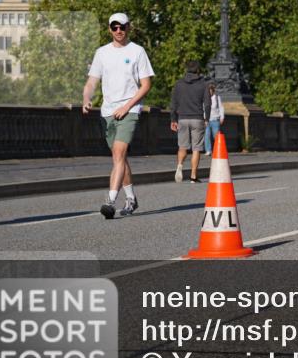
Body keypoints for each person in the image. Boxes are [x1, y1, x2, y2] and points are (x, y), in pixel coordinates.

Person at [83, 13, 154, 219]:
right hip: (107, 112)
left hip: (130, 110)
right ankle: (131, 198)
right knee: (119, 158)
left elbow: (146, 85)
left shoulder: (137, 51)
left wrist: (128, 106)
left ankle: (110, 201)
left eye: (122, 27)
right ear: (109, 29)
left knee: (119, 153)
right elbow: (91, 82)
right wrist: (87, 98)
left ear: (128, 27)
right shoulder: (102, 53)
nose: (118, 31)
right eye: (114, 27)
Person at [170, 61, 210, 184]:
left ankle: (180, 165)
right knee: (196, 148)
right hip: (197, 118)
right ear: (198, 70)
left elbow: (173, 103)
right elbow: (207, 104)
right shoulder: (204, 84)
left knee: (182, 146)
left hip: (182, 118)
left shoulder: (179, 84)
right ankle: (193, 176)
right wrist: (206, 118)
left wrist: (173, 119)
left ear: (186, 70)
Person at [204, 83, 224, 156]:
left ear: (213, 91)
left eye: (210, 91)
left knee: (216, 136)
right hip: (207, 120)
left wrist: (222, 117)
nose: (209, 93)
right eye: (208, 91)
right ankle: (208, 150)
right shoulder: (205, 98)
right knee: (206, 135)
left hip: (215, 119)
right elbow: (204, 109)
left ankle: (218, 149)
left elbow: (221, 107)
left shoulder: (217, 97)